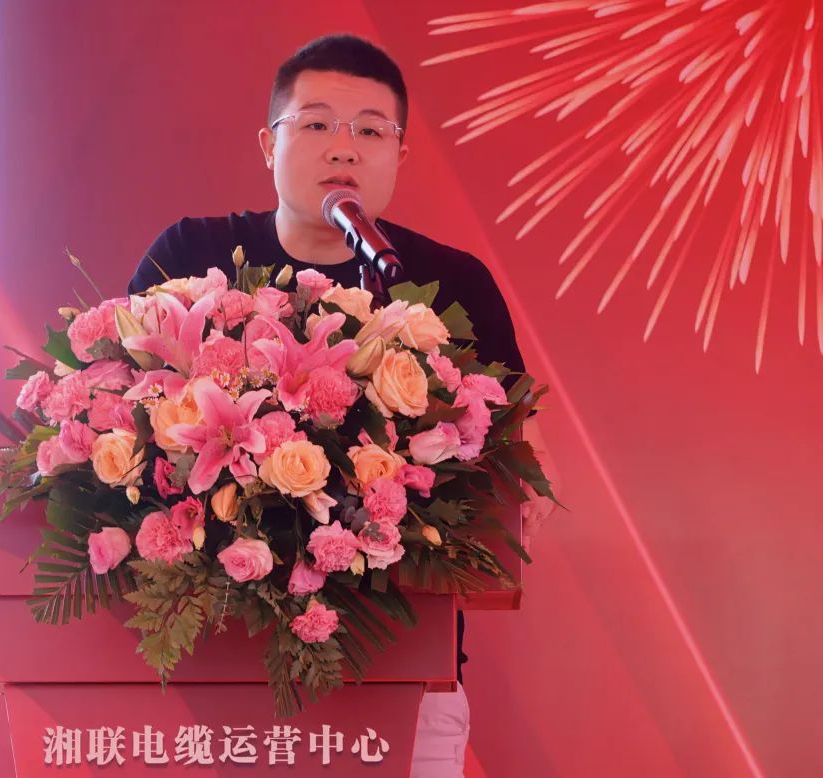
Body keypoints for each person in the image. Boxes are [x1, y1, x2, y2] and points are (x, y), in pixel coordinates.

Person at [127, 33, 559, 777]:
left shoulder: (453, 285)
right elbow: (118, 410)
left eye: (370, 130)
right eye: (318, 123)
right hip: (207, 671)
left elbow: (522, 464)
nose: (344, 146)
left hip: (403, 674)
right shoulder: (191, 258)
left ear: (401, 154)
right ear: (268, 143)